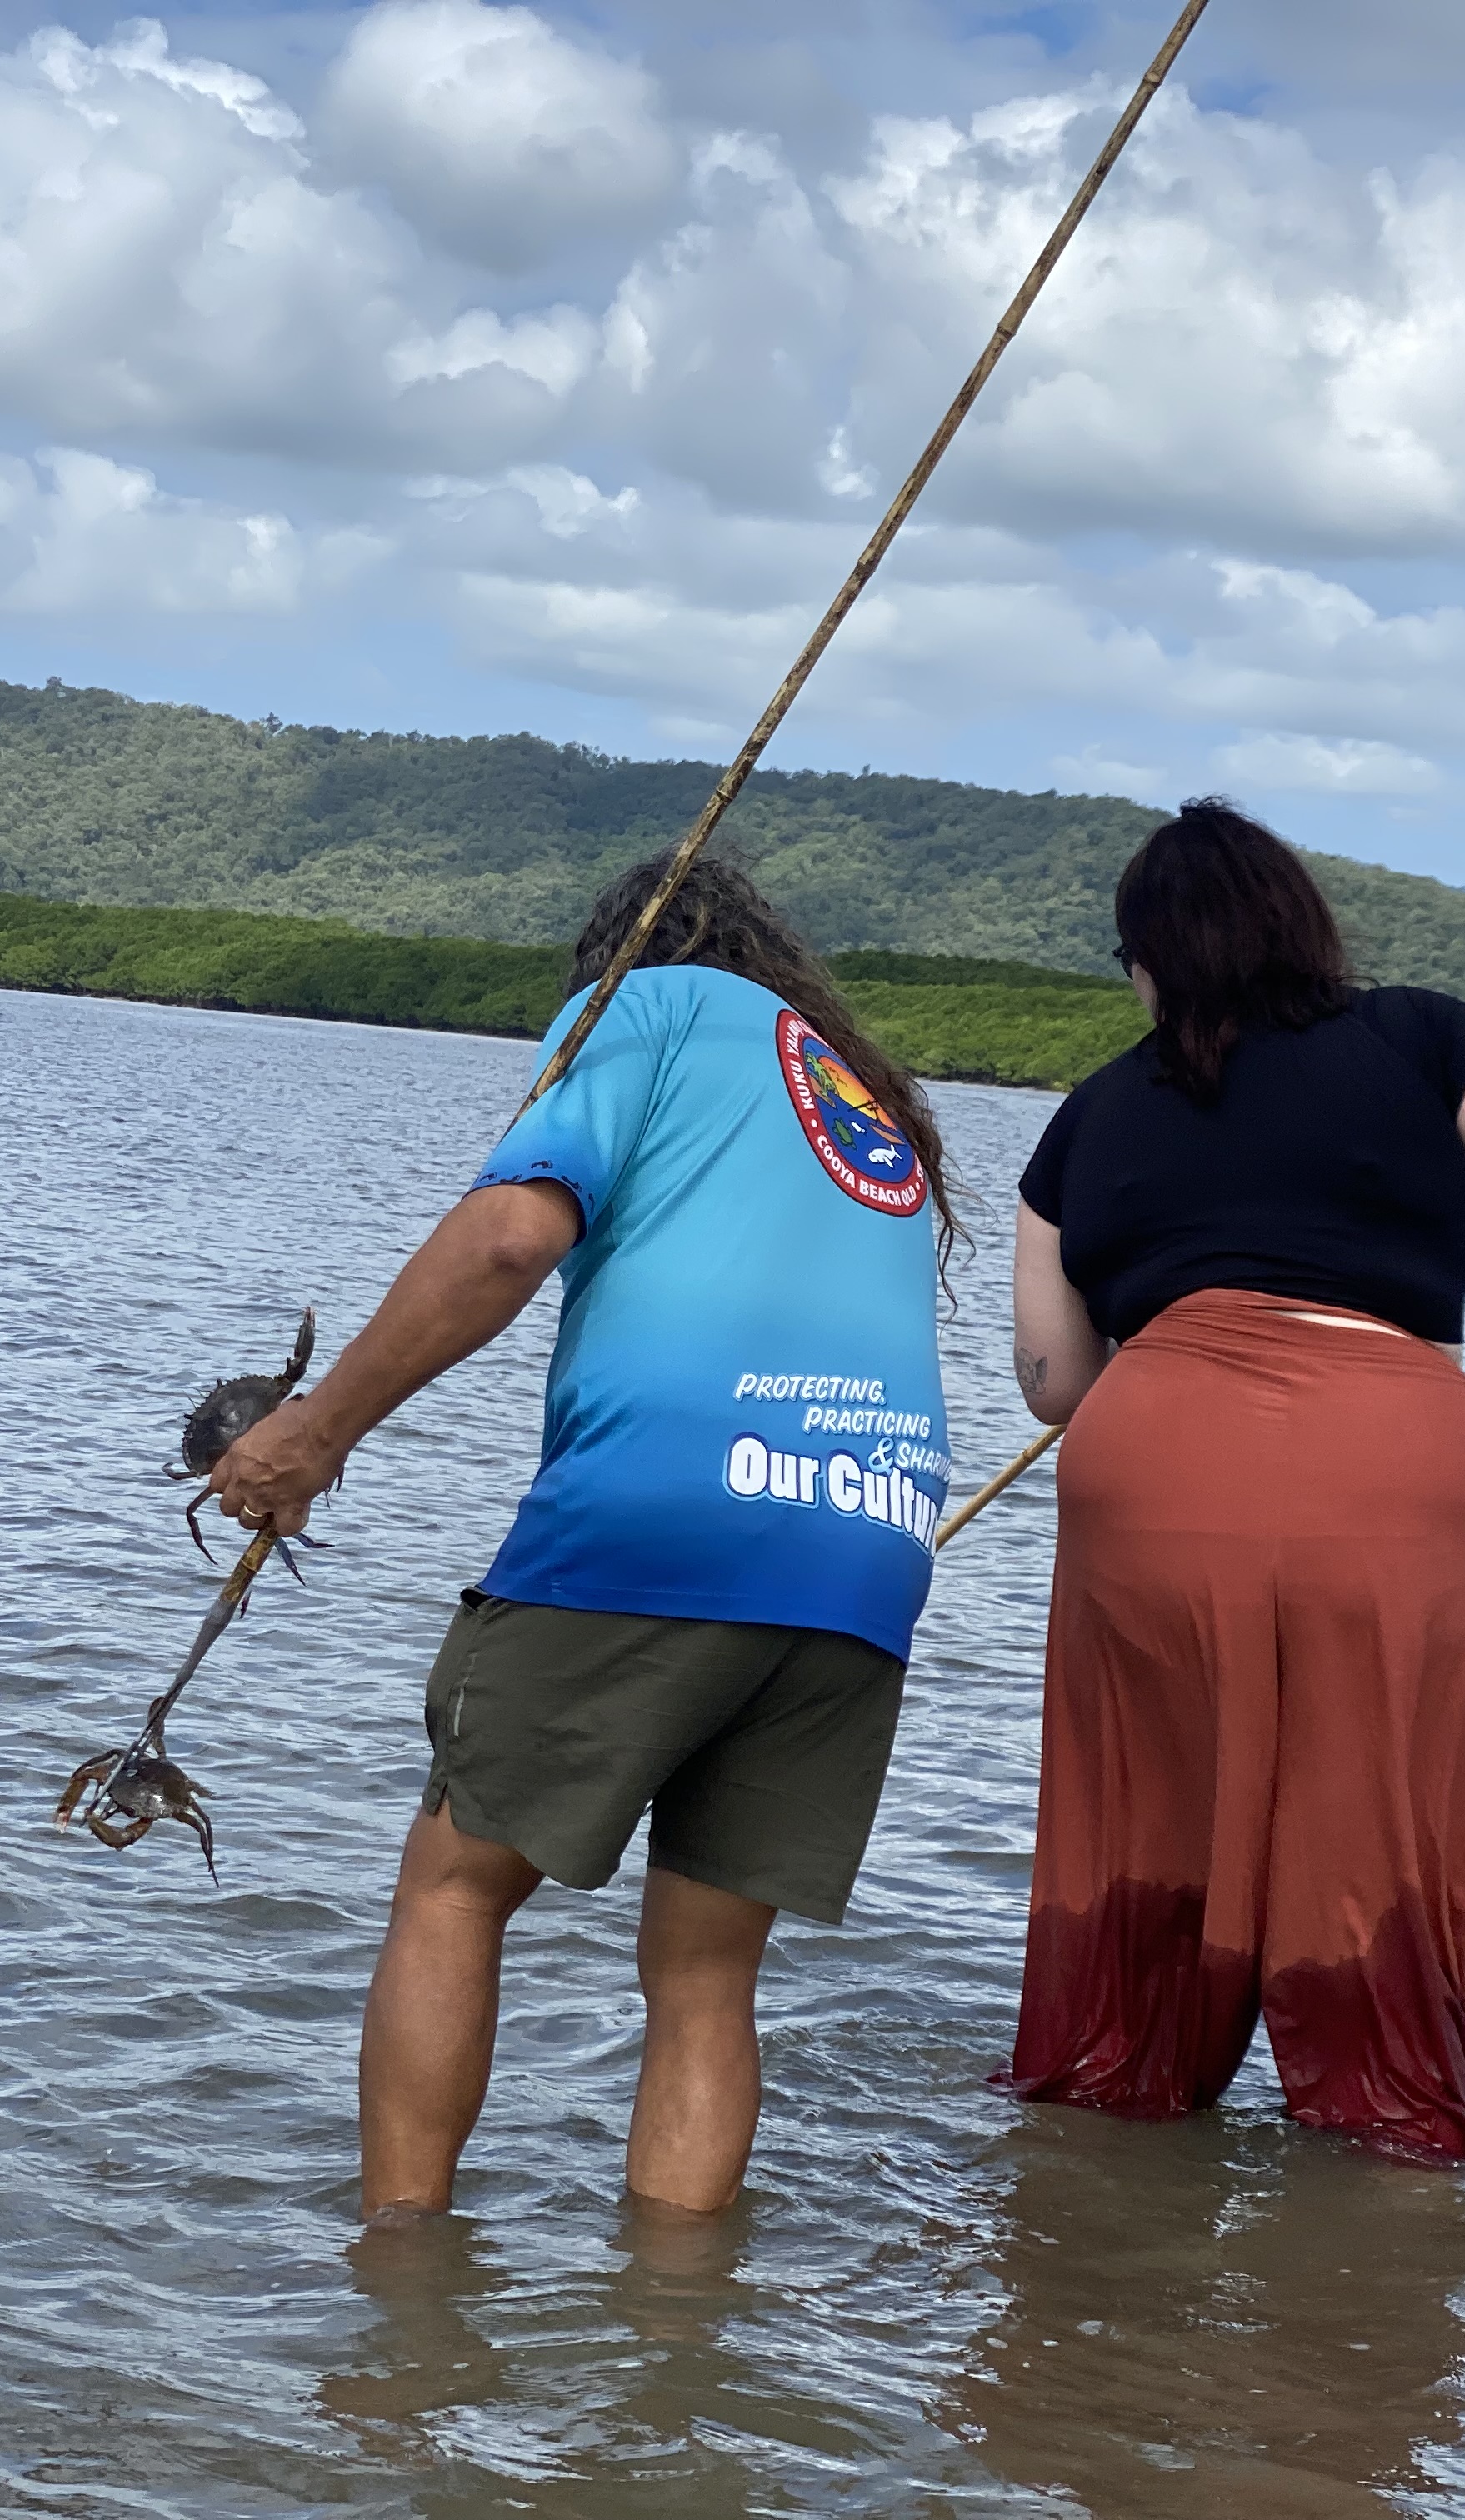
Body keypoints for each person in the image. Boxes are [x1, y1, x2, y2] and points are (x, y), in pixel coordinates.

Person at [209, 857, 959, 2220]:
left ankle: (399, 2287)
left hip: (674, 1509)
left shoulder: (645, 1004)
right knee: (706, 1968)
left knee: (455, 1882)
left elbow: (506, 1241)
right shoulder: (861, 1091)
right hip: (870, 1540)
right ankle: (672, 2340)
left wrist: (319, 1428)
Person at [1000, 799, 1465, 2161]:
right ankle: (1380, 2151)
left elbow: (1055, 1385)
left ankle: (1108, 2124)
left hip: (1155, 1478)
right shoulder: (1418, 1036)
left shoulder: (1086, 1120)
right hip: (1389, 1469)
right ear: (1299, 928)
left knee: (1146, 1823)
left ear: (1149, 961)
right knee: (1374, 1829)